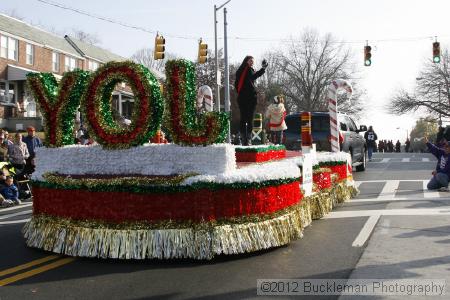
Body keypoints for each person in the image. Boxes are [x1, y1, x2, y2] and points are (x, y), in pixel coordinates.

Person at [234, 56, 267, 145]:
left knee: (248, 118)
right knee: (244, 118)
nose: (252, 62)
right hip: (244, 98)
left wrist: (262, 69)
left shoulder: (249, 70)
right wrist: (262, 69)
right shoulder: (243, 70)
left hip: (250, 98)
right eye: (250, 60)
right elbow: (252, 77)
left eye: (253, 61)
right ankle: (244, 139)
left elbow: (253, 77)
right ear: (246, 61)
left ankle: (247, 139)